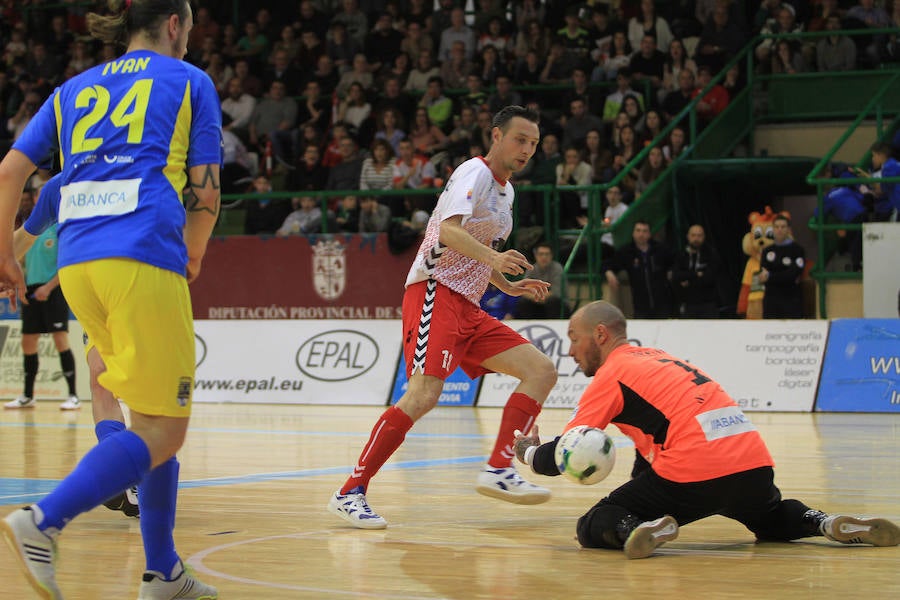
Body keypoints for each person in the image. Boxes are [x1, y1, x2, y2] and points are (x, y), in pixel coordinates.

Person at [0, 1, 221, 598]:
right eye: (190, 28)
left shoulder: (73, 89)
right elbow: (205, 190)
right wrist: (194, 252)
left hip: (78, 266)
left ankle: (163, 572)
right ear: (175, 24)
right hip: (142, 252)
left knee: (147, 414)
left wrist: (5, 253)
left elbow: (10, 172)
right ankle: (43, 520)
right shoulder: (189, 81)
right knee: (165, 432)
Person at [513, 301, 900, 559]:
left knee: (592, 524)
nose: (569, 351)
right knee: (769, 519)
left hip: (695, 470)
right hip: (753, 463)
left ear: (600, 335)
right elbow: (654, 450)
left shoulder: (611, 375)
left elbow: (565, 454)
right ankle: (824, 521)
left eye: (573, 338)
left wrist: (528, 452)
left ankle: (638, 528)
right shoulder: (663, 359)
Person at [328, 106, 558, 529]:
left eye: (533, 143)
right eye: (520, 139)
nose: (526, 149)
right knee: (423, 395)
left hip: (469, 306)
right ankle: (350, 491)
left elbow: (475, 253)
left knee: (541, 370)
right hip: (434, 292)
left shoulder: (508, 194)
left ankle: (499, 469)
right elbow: (449, 232)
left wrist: (508, 286)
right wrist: (494, 257)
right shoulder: (475, 171)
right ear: (496, 136)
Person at [12, 173, 139, 518]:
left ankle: (142, 479)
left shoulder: (134, 167)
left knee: (143, 394)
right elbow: (22, 239)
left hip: (137, 283)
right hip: (91, 295)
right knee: (99, 380)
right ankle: (126, 479)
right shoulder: (58, 188)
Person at [4, 184, 80, 411]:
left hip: (53, 288)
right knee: (28, 341)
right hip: (30, 289)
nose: (37, 198)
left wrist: (48, 287)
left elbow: (68, 261)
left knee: (60, 339)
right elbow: (21, 262)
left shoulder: (59, 227)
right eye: (37, 194)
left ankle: (73, 395)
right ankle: (28, 395)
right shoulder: (30, 230)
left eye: (40, 194)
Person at [603, 221, 674, 319]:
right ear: (633, 233)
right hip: (640, 306)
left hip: (662, 305)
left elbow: (674, 261)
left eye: (645, 231)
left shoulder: (660, 250)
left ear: (649, 234)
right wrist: (609, 272)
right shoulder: (627, 252)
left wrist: (671, 271)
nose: (641, 234)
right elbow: (608, 263)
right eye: (638, 231)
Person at [759, 215, 805, 319]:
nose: (779, 230)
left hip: (791, 301)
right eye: (776, 227)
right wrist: (776, 276)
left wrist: (771, 276)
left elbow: (792, 275)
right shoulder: (767, 251)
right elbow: (763, 275)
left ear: (789, 229)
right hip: (771, 302)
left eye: (783, 227)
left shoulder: (797, 250)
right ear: (773, 229)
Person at [672, 224, 721, 318]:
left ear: (704, 237)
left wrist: (688, 281)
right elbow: (676, 276)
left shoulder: (711, 254)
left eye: (699, 235)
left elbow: (709, 278)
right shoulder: (681, 255)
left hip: (708, 305)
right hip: (688, 305)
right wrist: (696, 274)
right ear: (688, 236)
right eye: (693, 235)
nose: (696, 238)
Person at [514, 242, 566, 319]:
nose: (544, 257)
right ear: (536, 255)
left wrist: (537, 297)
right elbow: (524, 290)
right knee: (523, 302)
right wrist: (537, 298)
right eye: (541, 254)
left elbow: (556, 292)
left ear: (551, 256)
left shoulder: (557, 268)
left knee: (553, 301)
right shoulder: (532, 268)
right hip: (537, 302)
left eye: (547, 254)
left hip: (555, 304)